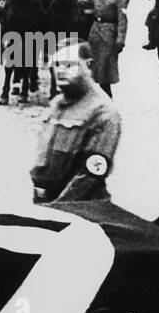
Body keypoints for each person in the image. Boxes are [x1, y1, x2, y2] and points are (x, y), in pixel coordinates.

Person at [29, 41, 121, 203]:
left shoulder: (103, 112)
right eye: (57, 64)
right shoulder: (57, 104)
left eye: (69, 65)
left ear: (88, 66)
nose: (61, 71)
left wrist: (56, 209)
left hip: (79, 208)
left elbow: (91, 176)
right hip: (46, 203)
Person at [88, 0, 127, 97]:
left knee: (105, 75)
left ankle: (108, 101)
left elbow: (122, 20)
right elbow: (83, 4)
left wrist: (120, 40)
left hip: (108, 38)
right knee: (95, 72)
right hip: (95, 37)